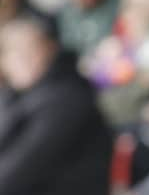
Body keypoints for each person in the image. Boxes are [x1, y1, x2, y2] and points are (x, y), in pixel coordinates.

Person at [0, 16, 113, 195]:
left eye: (31, 50)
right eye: (13, 53)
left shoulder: (67, 95)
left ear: (49, 48)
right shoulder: (16, 97)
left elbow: (26, 163)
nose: (23, 59)